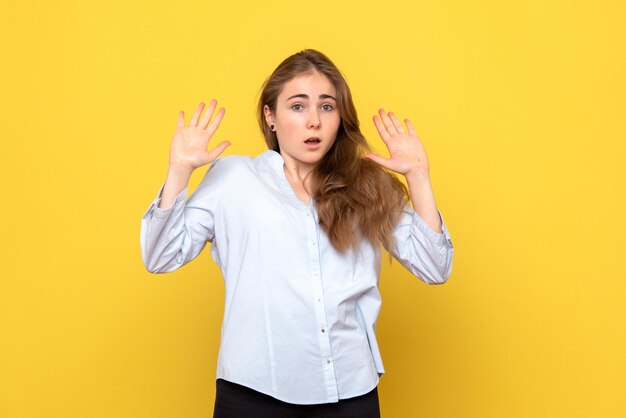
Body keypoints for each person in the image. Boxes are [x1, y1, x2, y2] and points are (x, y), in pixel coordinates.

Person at [140, 49, 454, 418]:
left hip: (349, 392)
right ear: (270, 116)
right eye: (298, 106)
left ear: (340, 116)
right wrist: (178, 170)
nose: (314, 122)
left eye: (326, 107)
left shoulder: (368, 185)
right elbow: (160, 256)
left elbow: (435, 268)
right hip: (253, 392)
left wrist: (418, 177)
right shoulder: (233, 179)